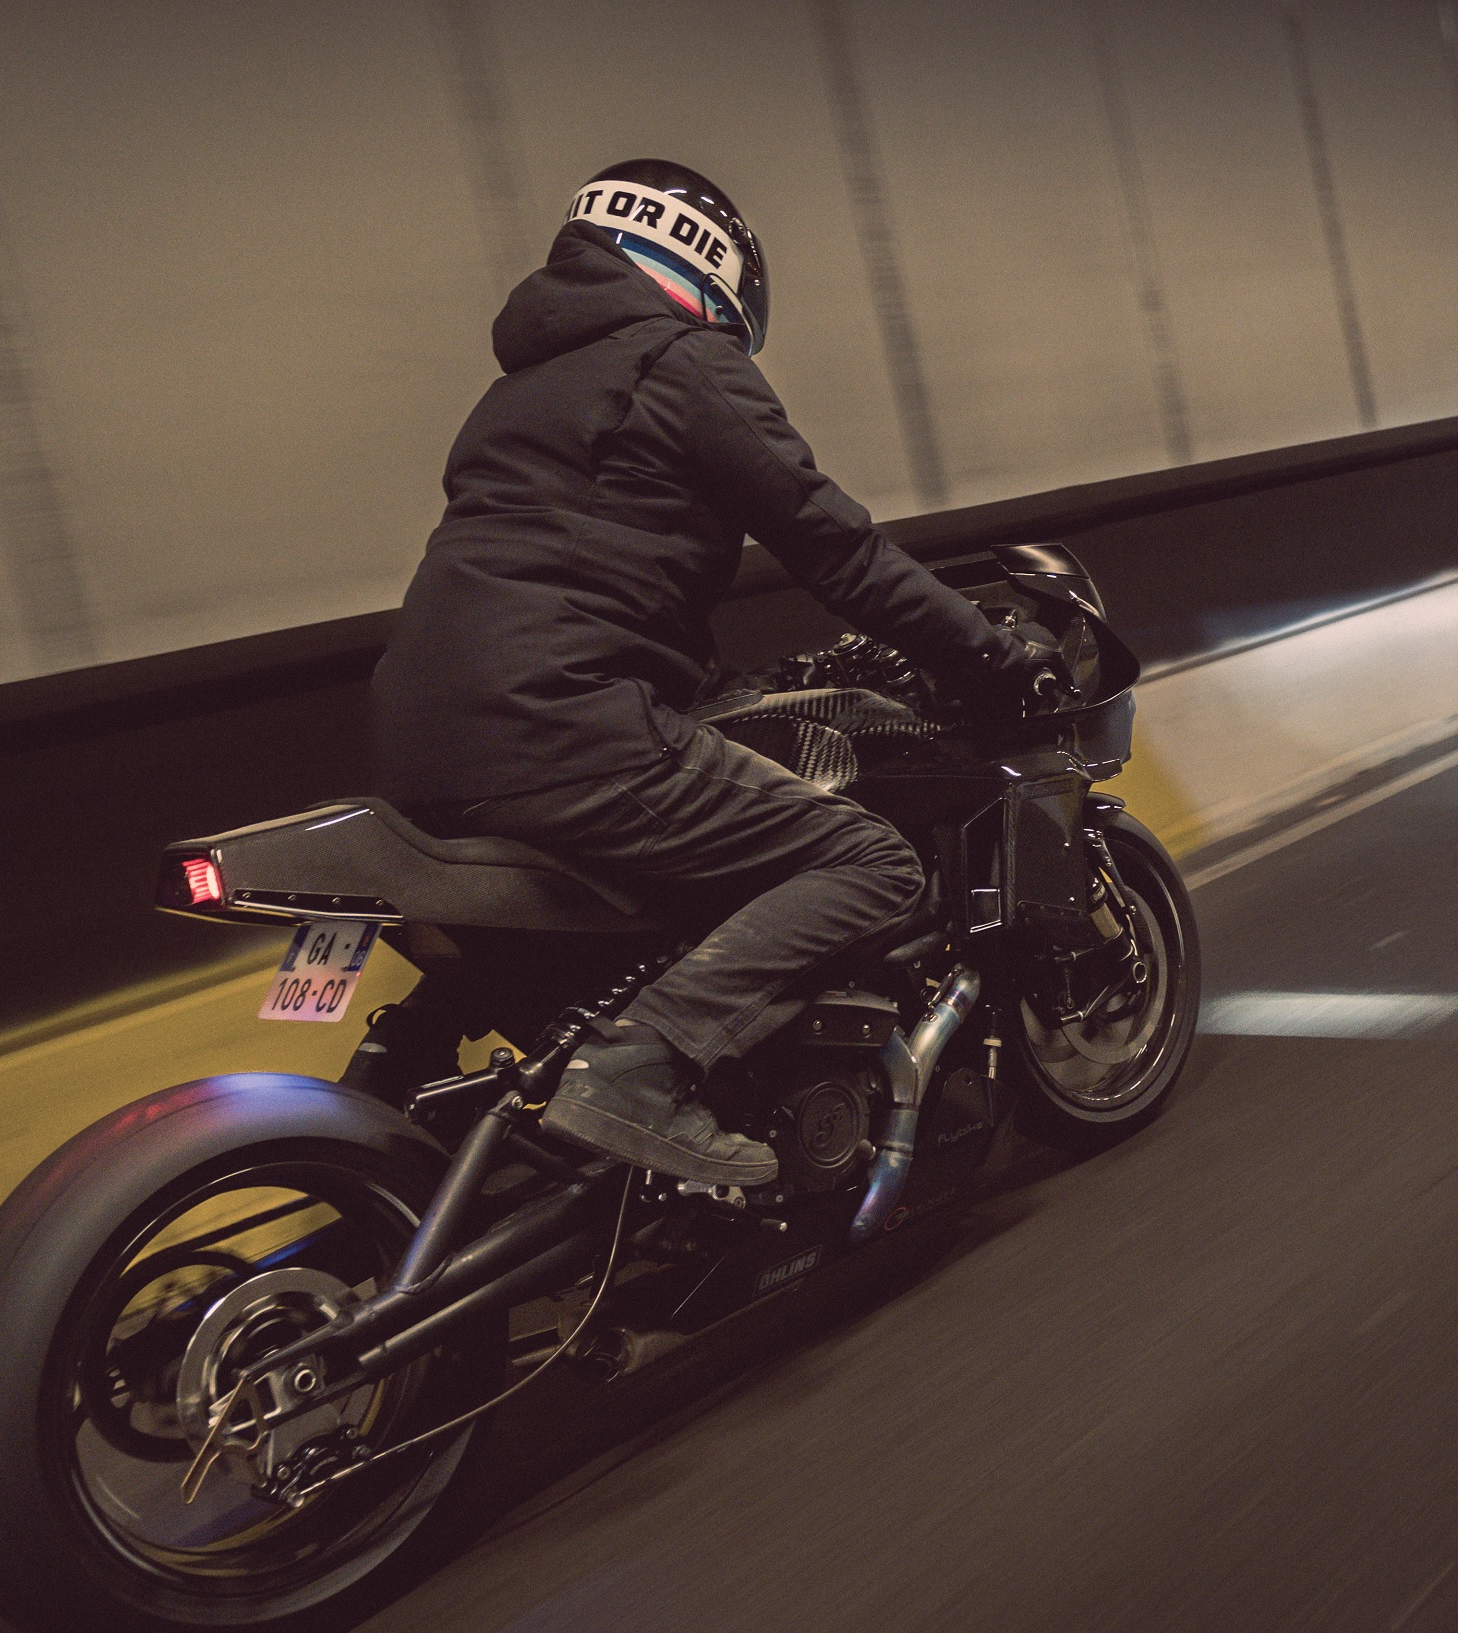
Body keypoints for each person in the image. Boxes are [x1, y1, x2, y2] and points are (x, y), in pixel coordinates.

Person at [367, 159, 1050, 1185]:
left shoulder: (517, 394)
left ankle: (389, 1107)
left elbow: (581, 581)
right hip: (563, 729)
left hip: (419, 743)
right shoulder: (682, 363)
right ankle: (641, 1067)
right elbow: (840, 553)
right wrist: (991, 657)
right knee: (872, 865)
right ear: (705, 266)